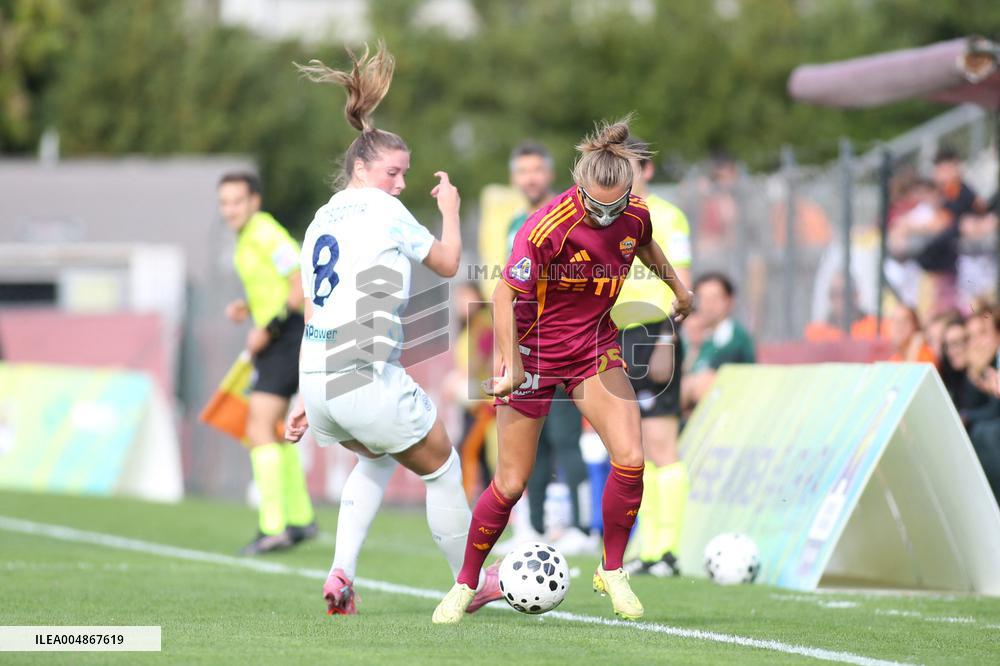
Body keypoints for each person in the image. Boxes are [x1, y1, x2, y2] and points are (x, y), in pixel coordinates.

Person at [433, 116, 694, 624]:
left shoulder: (634, 214)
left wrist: (677, 290)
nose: (604, 214)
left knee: (632, 457)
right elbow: (504, 294)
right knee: (510, 482)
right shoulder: (547, 226)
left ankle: (612, 569)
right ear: (579, 187)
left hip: (594, 347)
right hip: (535, 352)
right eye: (595, 204)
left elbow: (645, 245)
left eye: (613, 205)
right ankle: (465, 582)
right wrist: (509, 363)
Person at [283, 43, 489, 616]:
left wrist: (307, 394)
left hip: (320, 376)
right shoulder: (384, 209)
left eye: (406, 174)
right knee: (444, 469)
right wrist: (449, 207)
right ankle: (467, 586)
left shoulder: (321, 218)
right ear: (363, 170)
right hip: (363, 371)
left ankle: (341, 572)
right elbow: (448, 264)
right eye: (394, 172)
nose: (401, 183)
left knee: (374, 458)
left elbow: (311, 309)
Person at [218, 171, 317, 556]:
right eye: (224, 203)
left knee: (259, 428)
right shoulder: (247, 238)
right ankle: (300, 517)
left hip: (287, 334)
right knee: (275, 430)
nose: (230, 210)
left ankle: (273, 527)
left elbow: (298, 283)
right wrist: (250, 308)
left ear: (254, 201)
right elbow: (275, 287)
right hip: (280, 335)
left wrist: (270, 326)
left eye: (236, 201)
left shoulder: (263, 232)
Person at [500, 141, 590, 555]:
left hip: (565, 342)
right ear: (514, 178)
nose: (530, 177)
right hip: (528, 344)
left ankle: (583, 529)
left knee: (565, 435)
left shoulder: (568, 218)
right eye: (523, 171)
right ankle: (532, 528)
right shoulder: (516, 223)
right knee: (530, 439)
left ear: (548, 174)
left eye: (537, 169)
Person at [610, 136, 692, 578]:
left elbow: (684, 282)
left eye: (631, 166)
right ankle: (649, 548)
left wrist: (669, 336)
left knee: (661, 445)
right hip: (616, 334)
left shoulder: (665, 216)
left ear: (647, 170)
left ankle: (668, 550)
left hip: (655, 331)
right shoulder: (608, 215)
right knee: (632, 449)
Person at [681, 273, 755, 410]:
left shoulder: (735, 338)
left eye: (715, 298)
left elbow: (706, 384)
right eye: (703, 298)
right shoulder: (695, 338)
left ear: (729, 301)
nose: (709, 305)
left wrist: (688, 387)